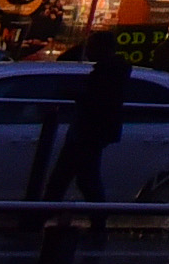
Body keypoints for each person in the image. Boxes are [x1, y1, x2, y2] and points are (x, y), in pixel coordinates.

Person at [50, 38, 133, 208]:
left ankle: (42, 213)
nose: (88, 53)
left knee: (70, 177)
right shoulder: (113, 72)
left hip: (88, 131)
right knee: (79, 177)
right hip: (93, 131)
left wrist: (73, 94)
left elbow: (96, 100)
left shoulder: (105, 74)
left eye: (91, 48)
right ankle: (44, 212)